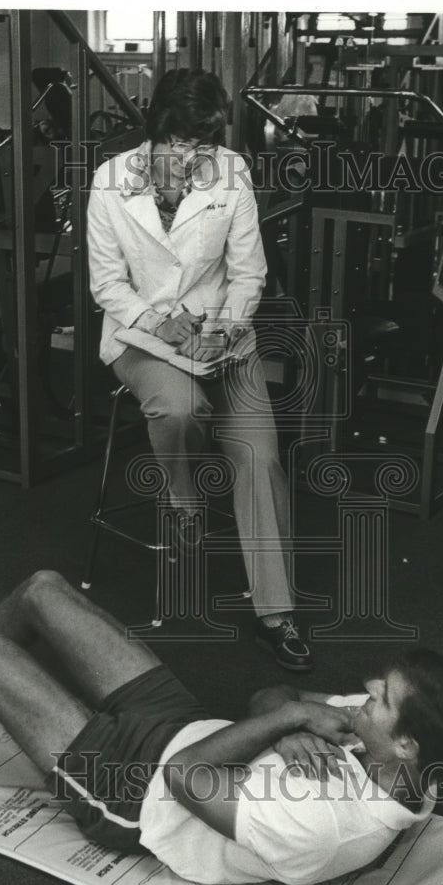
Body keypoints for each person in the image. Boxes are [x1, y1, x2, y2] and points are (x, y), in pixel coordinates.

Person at [0, 570, 443, 885]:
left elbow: (185, 778)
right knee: (44, 589)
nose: (362, 697)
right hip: (185, 723)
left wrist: (285, 719)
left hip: (135, 794)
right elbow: (270, 689)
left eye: (379, 699)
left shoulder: (332, 831)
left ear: (404, 744)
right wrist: (282, 721)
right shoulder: (391, 747)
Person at [86, 68, 309, 671]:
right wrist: (159, 323)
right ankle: (183, 504)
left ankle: (277, 612)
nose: (192, 158)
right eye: (180, 144)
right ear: (155, 132)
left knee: (259, 456)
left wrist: (226, 328)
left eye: (202, 145)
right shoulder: (111, 182)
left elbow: (248, 273)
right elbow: (106, 282)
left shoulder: (232, 173)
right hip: (141, 335)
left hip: (223, 337)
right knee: (182, 407)